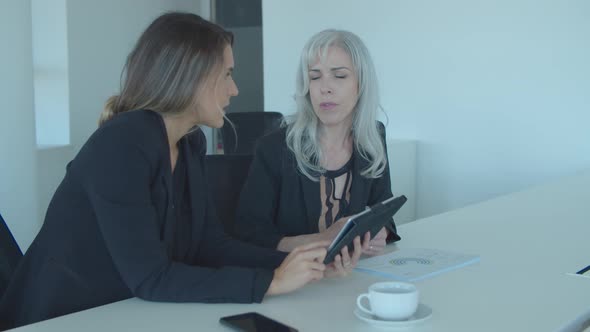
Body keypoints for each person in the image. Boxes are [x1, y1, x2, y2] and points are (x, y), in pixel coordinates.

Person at [0, 13, 361, 330]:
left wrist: (305, 264)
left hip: (124, 312)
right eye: (228, 74)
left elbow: (209, 245)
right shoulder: (122, 145)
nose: (235, 89)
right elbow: (152, 278)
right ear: (192, 78)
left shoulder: (188, 144)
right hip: (61, 318)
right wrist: (273, 281)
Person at [234, 29, 401, 254]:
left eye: (339, 76)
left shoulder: (372, 136)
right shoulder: (274, 148)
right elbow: (249, 235)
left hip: (355, 277)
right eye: (314, 77)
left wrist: (381, 233)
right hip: (295, 281)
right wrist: (322, 240)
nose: (325, 88)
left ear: (362, 84)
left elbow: (383, 208)